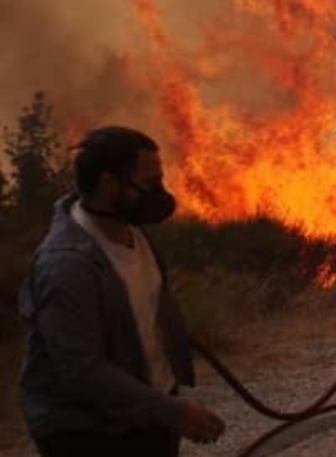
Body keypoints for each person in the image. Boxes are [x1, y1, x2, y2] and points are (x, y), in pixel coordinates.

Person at [18, 126, 227, 457]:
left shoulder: (131, 230)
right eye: (149, 184)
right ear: (108, 183)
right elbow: (84, 372)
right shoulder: (67, 267)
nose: (160, 194)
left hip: (145, 415)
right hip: (88, 433)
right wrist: (175, 412)